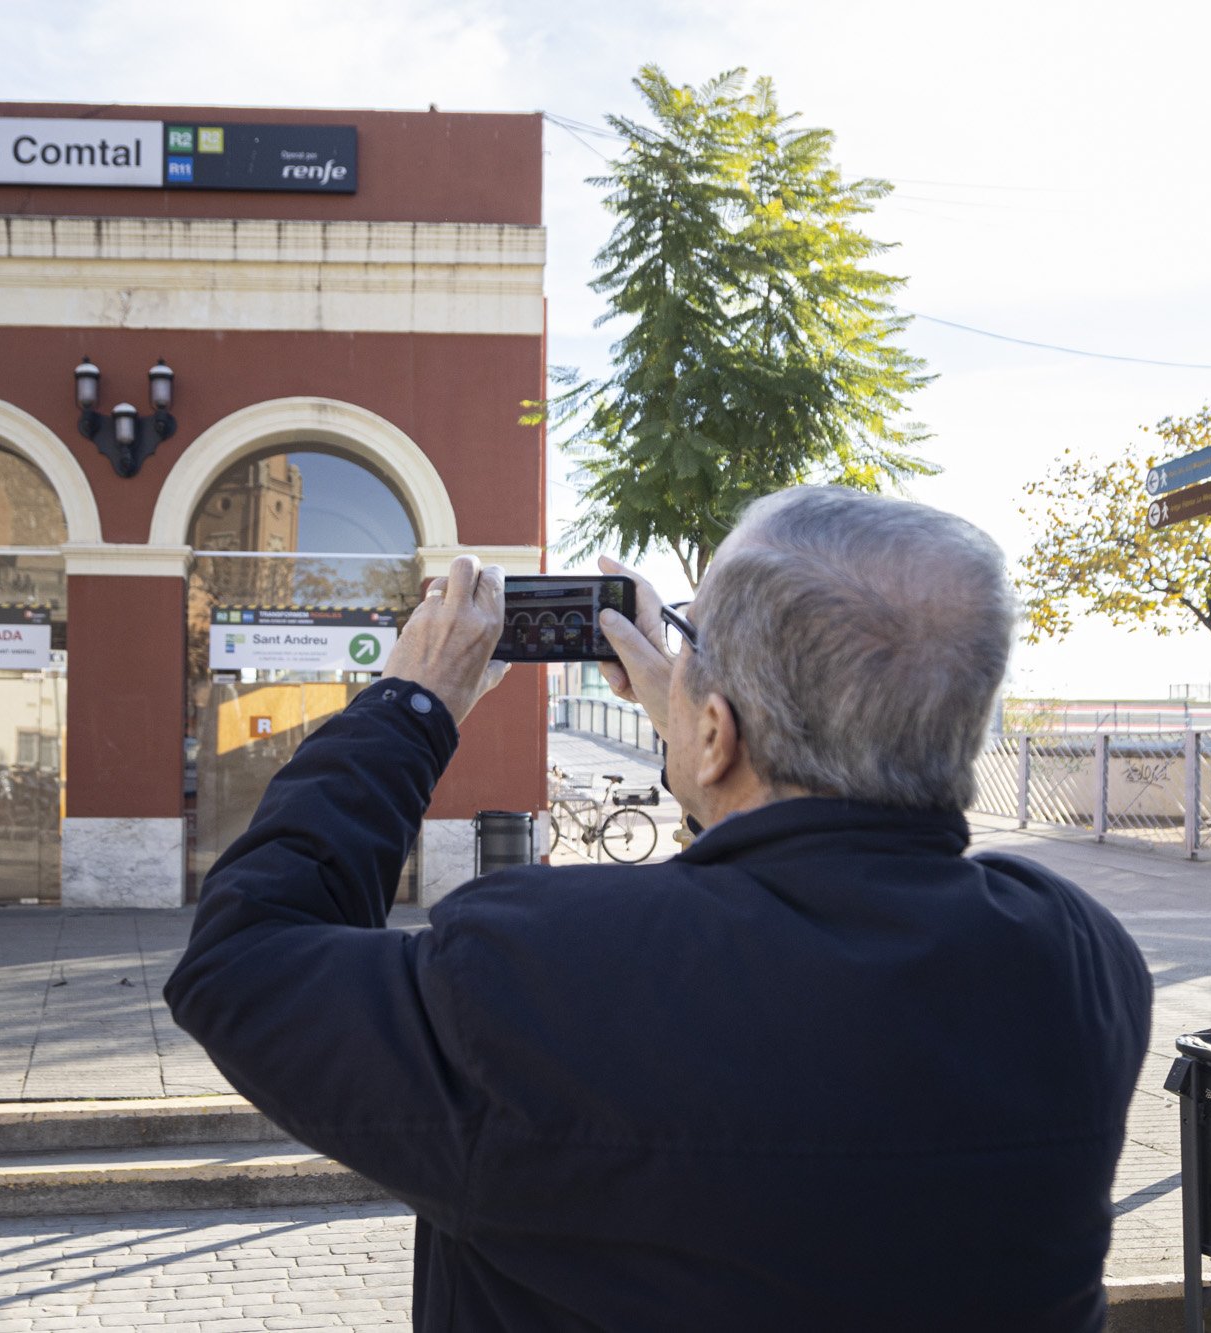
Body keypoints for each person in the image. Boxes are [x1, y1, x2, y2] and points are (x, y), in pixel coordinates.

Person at [164, 486, 1153, 1332]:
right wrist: (696, 727)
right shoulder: (1075, 963)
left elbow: (241, 960)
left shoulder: (543, 969)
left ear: (716, 732)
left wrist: (408, 706)